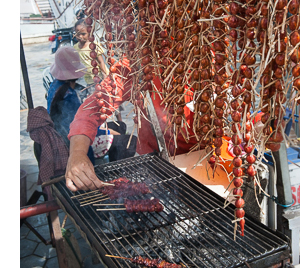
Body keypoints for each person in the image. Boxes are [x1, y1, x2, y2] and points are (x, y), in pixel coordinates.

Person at [64, 57, 197, 192]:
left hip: (204, 163)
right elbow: (91, 111)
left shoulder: (213, 59)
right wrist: (77, 153)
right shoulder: (138, 62)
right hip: (153, 162)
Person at [46, 46, 96, 162]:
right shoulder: (69, 96)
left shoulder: (54, 86)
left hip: (58, 137)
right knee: (120, 136)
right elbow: (80, 127)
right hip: (71, 144)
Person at [73, 19, 109, 90]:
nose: (80, 36)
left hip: (100, 76)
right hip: (89, 79)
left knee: (104, 95)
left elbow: (101, 61)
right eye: (77, 34)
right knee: (93, 94)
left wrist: (104, 75)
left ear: (89, 33)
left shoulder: (93, 46)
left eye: (83, 34)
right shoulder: (75, 48)